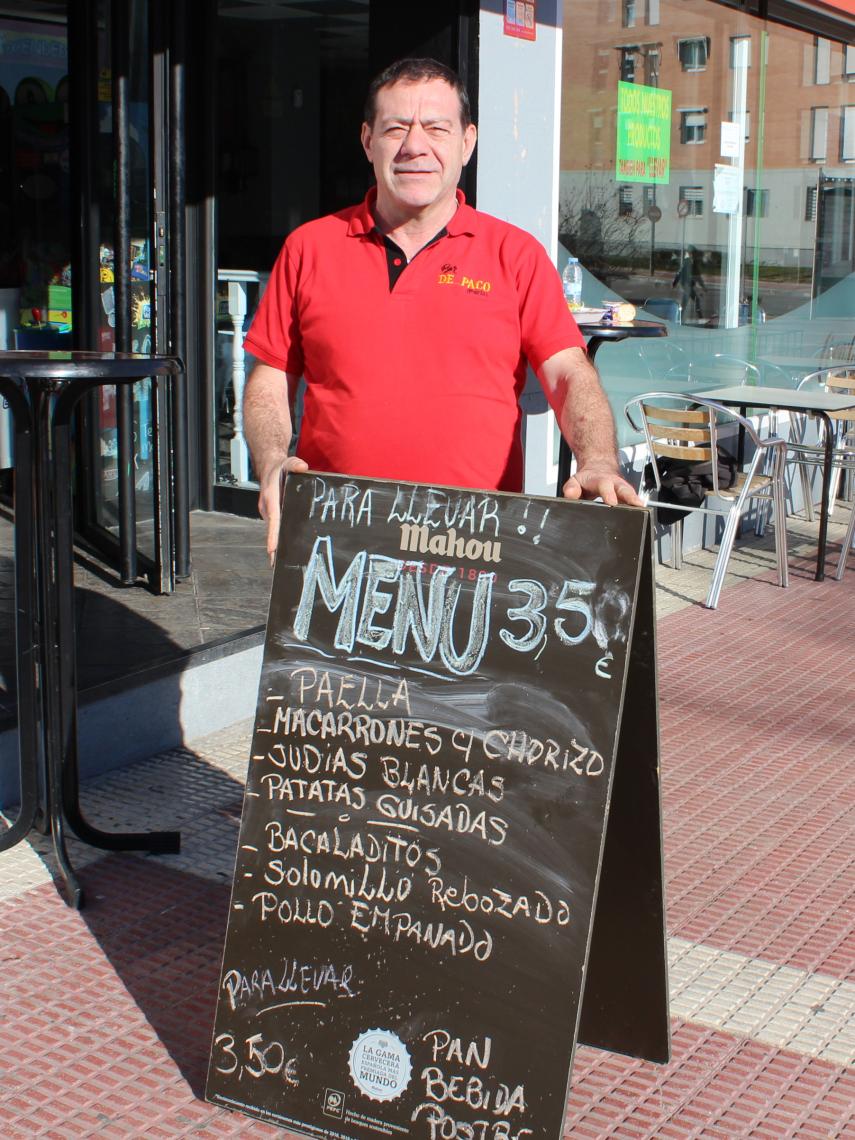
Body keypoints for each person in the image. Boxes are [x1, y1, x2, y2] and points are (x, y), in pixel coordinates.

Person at [242, 58, 642, 560]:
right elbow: (271, 375)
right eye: (395, 129)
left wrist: (599, 458)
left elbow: (568, 373)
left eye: (436, 128)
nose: (415, 146)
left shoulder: (513, 255)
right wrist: (273, 460)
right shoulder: (309, 248)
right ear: (368, 141)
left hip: (473, 548)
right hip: (337, 538)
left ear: (466, 143)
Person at [672, 249, 705, 321]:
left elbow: (680, 274)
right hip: (687, 286)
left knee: (686, 302)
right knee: (693, 301)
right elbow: (680, 274)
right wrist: (674, 283)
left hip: (687, 285)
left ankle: (679, 318)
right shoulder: (687, 262)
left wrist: (674, 283)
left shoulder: (688, 262)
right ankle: (700, 318)